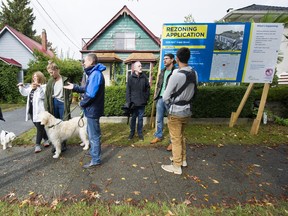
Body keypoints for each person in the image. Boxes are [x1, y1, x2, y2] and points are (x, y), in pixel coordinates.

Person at [64, 53, 106, 169]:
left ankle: (96, 159)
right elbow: (87, 89)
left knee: (94, 136)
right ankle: (94, 153)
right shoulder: (93, 73)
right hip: (91, 110)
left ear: (91, 62)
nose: (83, 63)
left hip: (93, 110)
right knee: (91, 133)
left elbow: (91, 94)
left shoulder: (95, 74)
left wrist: (82, 103)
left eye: (85, 61)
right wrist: (75, 87)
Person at [161, 47, 197, 175]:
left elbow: (165, 97)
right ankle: (183, 160)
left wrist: (169, 103)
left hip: (176, 111)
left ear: (176, 59)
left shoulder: (176, 75)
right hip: (188, 110)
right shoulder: (194, 73)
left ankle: (176, 166)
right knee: (182, 136)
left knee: (175, 139)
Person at [18, 71, 50, 153]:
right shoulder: (31, 86)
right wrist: (21, 87)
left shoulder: (44, 86)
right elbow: (24, 93)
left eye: (36, 76)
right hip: (32, 111)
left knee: (39, 128)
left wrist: (39, 87)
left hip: (40, 111)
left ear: (40, 77)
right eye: (34, 76)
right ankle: (46, 139)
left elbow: (42, 96)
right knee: (39, 127)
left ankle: (37, 145)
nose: (34, 78)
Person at [45, 60, 72, 152]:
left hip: (63, 104)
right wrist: (47, 108)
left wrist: (67, 103)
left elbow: (69, 94)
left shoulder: (65, 80)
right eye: (49, 73)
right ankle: (56, 145)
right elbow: (46, 96)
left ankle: (63, 144)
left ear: (57, 70)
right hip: (53, 104)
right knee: (54, 125)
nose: (51, 74)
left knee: (63, 124)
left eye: (52, 72)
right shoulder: (50, 82)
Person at [150, 53, 176, 151]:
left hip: (170, 99)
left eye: (167, 59)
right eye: (164, 59)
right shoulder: (162, 71)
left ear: (172, 60)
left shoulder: (175, 72)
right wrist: (156, 94)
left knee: (172, 121)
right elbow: (159, 84)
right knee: (159, 119)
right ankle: (159, 136)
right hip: (160, 98)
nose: (164, 60)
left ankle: (172, 141)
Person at [126, 61, 150, 141]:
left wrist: (146, 97)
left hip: (142, 102)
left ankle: (140, 134)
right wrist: (129, 102)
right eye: (139, 66)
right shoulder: (130, 78)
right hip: (133, 103)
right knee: (133, 119)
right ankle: (131, 133)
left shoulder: (144, 77)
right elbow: (128, 91)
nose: (141, 67)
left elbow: (147, 88)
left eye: (141, 66)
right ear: (135, 68)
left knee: (140, 119)